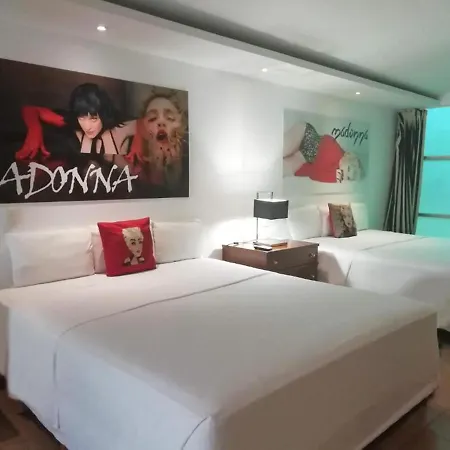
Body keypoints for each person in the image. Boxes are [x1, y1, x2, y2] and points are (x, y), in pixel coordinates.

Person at [15, 83, 140, 161]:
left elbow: (142, 122)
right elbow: (30, 110)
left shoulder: (116, 120)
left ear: (103, 114)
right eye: (82, 118)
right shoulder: (72, 120)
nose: (87, 126)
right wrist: (34, 130)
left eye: (93, 118)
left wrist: (138, 141)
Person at [283, 121, 363, 183]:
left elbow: (313, 175)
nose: (344, 173)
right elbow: (325, 141)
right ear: (348, 155)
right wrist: (333, 176)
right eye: (348, 168)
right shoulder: (335, 151)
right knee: (281, 150)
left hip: (303, 161)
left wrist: (334, 176)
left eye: (348, 177)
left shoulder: (335, 176)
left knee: (281, 169)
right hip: (304, 136)